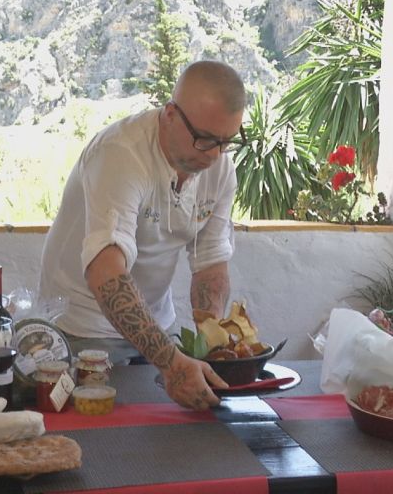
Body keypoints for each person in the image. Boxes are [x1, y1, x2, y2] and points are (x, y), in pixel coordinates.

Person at [39, 60, 247, 411]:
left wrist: (211, 346)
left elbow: (210, 261)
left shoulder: (219, 166)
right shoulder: (120, 154)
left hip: (155, 327)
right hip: (82, 328)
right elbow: (106, 271)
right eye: (204, 140)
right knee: (100, 445)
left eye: (226, 142)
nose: (213, 155)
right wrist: (170, 361)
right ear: (169, 115)